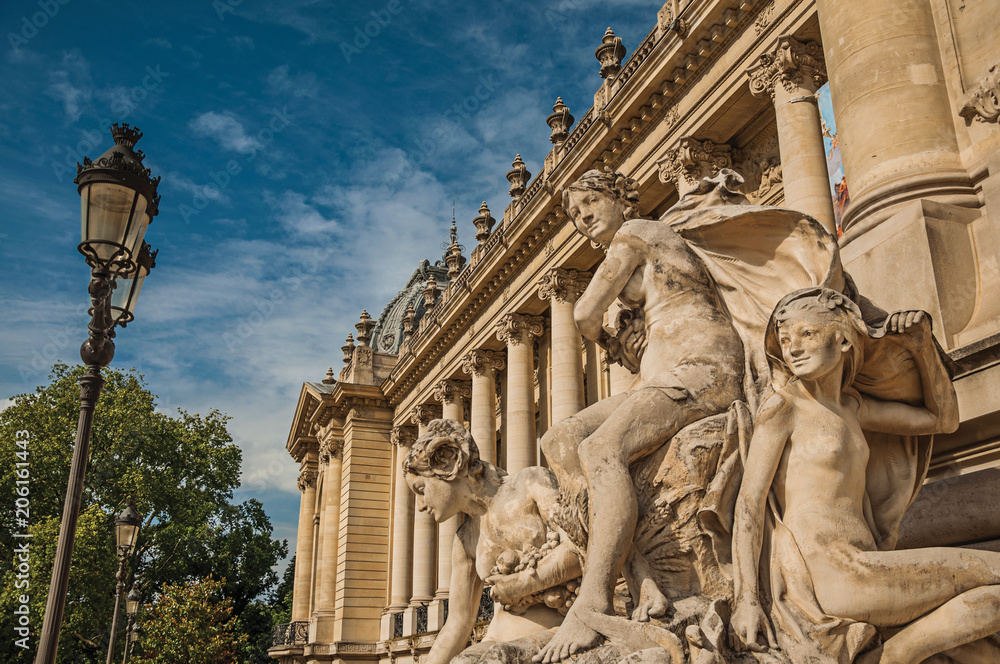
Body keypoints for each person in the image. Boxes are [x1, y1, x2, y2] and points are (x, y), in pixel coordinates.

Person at [536, 170, 746, 663]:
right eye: (574, 213)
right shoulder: (637, 248)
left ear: (620, 198)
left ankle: (593, 599)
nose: (582, 217)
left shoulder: (637, 232)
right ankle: (639, 573)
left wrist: (609, 341)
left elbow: (584, 312)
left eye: (590, 202)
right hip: (661, 374)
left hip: (703, 367)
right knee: (559, 440)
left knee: (599, 448)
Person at [731, 288, 1000, 663]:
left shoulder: (852, 408)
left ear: (843, 339)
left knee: (988, 616)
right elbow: (749, 502)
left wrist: (921, 347)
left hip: (868, 562)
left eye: (807, 334)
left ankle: (888, 657)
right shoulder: (783, 407)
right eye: (786, 339)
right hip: (834, 573)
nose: (793, 349)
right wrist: (746, 599)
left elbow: (942, 420)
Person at [403, 419, 583, 664]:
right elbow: (457, 624)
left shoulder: (530, 483)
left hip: (556, 633)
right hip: (494, 641)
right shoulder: (465, 540)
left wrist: (519, 585)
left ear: (447, 462)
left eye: (421, 490)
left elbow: (579, 548)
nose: (421, 506)